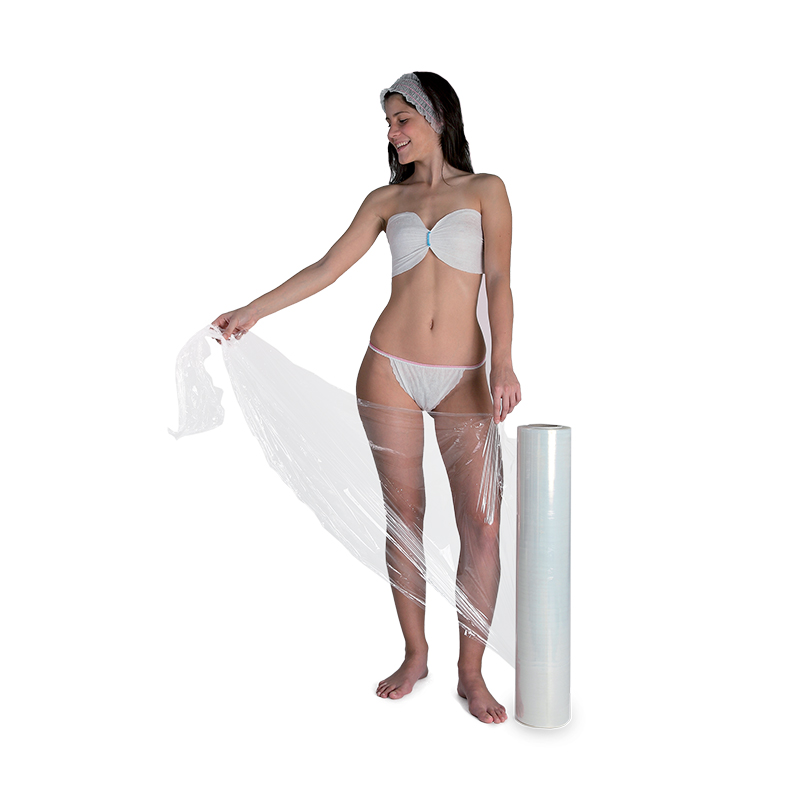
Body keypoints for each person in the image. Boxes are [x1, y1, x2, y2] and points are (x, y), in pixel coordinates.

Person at [211, 72, 521, 724]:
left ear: (436, 116)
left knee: (482, 525)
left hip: (466, 376)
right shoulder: (386, 200)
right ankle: (415, 653)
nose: (392, 132)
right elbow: (327, 267)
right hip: (389, 373)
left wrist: (504, 363)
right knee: (404, 517)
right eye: (388, 122)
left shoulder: (486, 190)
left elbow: (498, 280)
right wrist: (253, 310)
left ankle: (471, 672)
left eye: (402, 119)